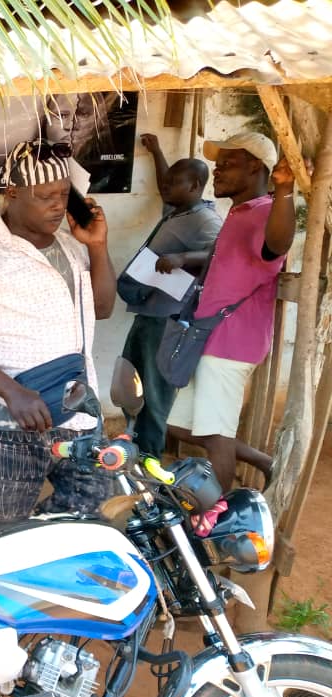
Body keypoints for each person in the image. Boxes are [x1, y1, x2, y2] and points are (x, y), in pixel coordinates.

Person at [0, 139, 116, 539]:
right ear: (12, 193)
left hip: (78, 411)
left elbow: (102, 308)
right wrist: (13, 393)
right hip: (9, 424)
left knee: (90, 516)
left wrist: (98, 247)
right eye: (45, 196)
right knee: (0, 533)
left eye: (64, 195)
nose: (57, 205)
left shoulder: (71, 248)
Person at [167, 132, 303, 491]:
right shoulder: (241, 211)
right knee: (181, 426)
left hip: (231, 342)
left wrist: (286, 191)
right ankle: (262, 462)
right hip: (211, 337)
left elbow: (277, 245)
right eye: (218, 163)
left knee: (216, 433)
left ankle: (217, 518)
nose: (218, 170)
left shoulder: (264, 212)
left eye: (228, 163)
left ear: (256, 167)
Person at [117, 134, 223, 457]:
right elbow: (166, 184)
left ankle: (149, 459)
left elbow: (220, 254)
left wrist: (183, 259)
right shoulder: (178, 211)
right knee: (130, 384)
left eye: (175, 183)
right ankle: (134, 449)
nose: (166, 187)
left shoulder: (205, 219)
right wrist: (157, 150)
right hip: (146, 315)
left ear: (194, 186)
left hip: (167, 322)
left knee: (154, 393)